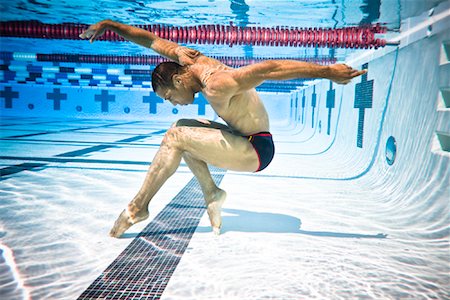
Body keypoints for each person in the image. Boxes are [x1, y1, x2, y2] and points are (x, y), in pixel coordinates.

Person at [80, 20, 366, 237]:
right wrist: (109, 26)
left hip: (257, 150)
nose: (174, 103)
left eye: (169, 97)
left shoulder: (216, 84)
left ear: (179, 82)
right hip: (245, 138)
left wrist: (328, 72)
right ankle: (212, 194)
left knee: (176, 137)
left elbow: (267, 69)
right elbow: (151, 40)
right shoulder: (188, 61)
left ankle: (138, 207)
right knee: (181, 128)